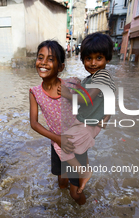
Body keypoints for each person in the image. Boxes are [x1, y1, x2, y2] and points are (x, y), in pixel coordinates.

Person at [29, 40, 88, 205]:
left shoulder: (72, 83)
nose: (43, 63)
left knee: (75, 193)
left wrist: (70, 95)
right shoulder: (35, 92)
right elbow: (34, 123)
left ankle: (85, 216)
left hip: (75, 143)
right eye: (40, 58)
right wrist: (57, 139)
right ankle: (63, 212)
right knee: (62, 182)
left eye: (50, 59)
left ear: (60, 67)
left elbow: (88, 102)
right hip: (57, 143)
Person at [59, 32, 115, 195]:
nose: (93, 63)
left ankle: (84, 172)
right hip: (87, 122)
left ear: (108, 59)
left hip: (88, 124)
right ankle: (83, 168)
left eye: (99, 58)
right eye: (88, 58)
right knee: (77, 149)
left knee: (63, 148)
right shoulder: (93, 77)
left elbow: (87, 98)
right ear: (82, 59)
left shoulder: (102, 76)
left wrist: (66, 94)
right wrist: (106, 119)